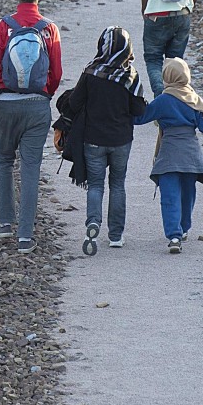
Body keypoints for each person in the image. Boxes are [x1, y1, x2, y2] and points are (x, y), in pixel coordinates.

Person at [0, 0, 62, 254]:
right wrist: (44, 95)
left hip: (6, 103)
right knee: (30, 167)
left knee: (3, 160)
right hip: (37, 106)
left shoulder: (4, 26)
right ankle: (25, 236)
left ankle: (5, 224)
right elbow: (57, 72)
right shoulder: (50, 28)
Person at [62, 27, 147, 253]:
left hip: (93, 139)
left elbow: (75, 103)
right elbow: (138, 110)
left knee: (96, 184)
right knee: (117, 184)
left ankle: (92, 223)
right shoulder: (130, 76)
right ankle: (116, 236)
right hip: (121, 140)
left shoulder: (91, 72)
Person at [132, 57, 203, 253]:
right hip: (191, 155)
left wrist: (135, 100)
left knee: (169, 196)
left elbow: (140, 118)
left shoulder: (164, 100)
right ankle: (184, 228)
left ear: (167, 76)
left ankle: (174, 236)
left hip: (169, 153)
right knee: (188, 193)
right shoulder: (195, 99)